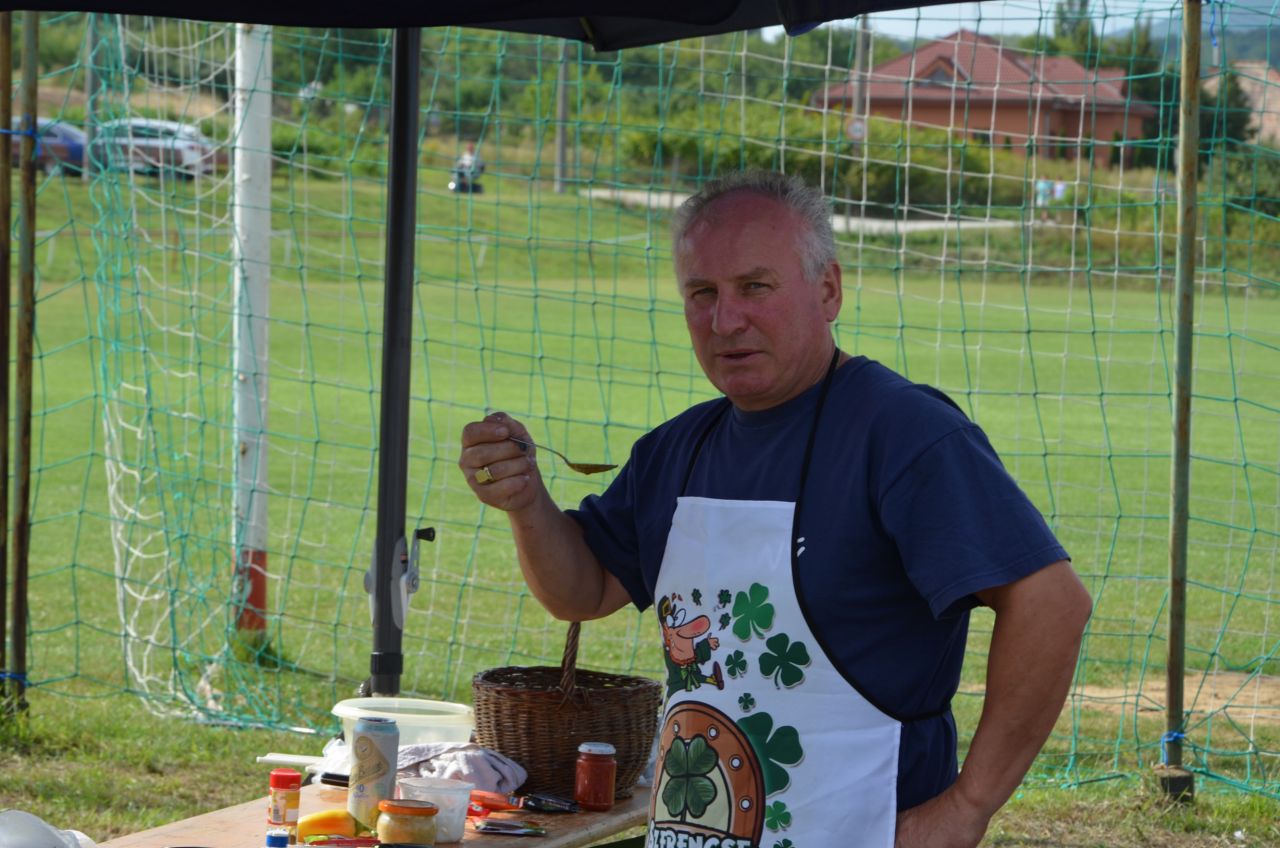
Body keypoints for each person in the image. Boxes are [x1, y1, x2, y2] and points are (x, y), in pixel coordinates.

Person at [459, 170, 1092, 848]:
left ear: (828, 290)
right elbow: (582, 591)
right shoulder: (679, 448)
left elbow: (1052, 604)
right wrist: (526, 504)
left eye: (755, 287)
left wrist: (968, 806)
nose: (725, 320)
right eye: (702, 293)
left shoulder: (902, 433)